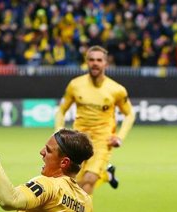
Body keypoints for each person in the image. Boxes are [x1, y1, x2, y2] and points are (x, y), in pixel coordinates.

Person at [55, 45, 135, 195]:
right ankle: (104, 176)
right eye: (91, 60)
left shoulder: (116, 89)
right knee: (80, 184)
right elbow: (61, 110)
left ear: (105, 63)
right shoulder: (75, 85)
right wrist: (59, 129)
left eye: (99, 60)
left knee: (89, 178)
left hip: (102, 140)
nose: (95, 63)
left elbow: (129, 114)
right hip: (78, 139)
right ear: (87, 62)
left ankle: (74, 208)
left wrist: (119, 137)